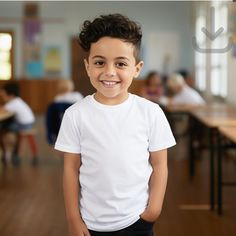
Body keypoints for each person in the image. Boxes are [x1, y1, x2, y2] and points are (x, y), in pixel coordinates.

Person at [55, 14, 176, 236]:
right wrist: (73, 219)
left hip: (137, 220)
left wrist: (154, 209)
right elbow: (70, 169)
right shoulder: (75, 115)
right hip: (90, 223)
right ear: (88, 66)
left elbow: (160, 165)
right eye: (100, 62)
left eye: (120, 63)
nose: (109, 72)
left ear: (137, 68)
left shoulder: (151, 112)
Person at [0, 82, 37, 165]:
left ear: (11, 95)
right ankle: (12, 151)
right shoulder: (17, 101)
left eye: (4, 95)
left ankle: (7, 151)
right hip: (30, 123)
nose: (2, 97)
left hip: (24, 125)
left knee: (2, 127)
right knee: (5, 125)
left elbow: (2, 110)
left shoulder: (12, 104)